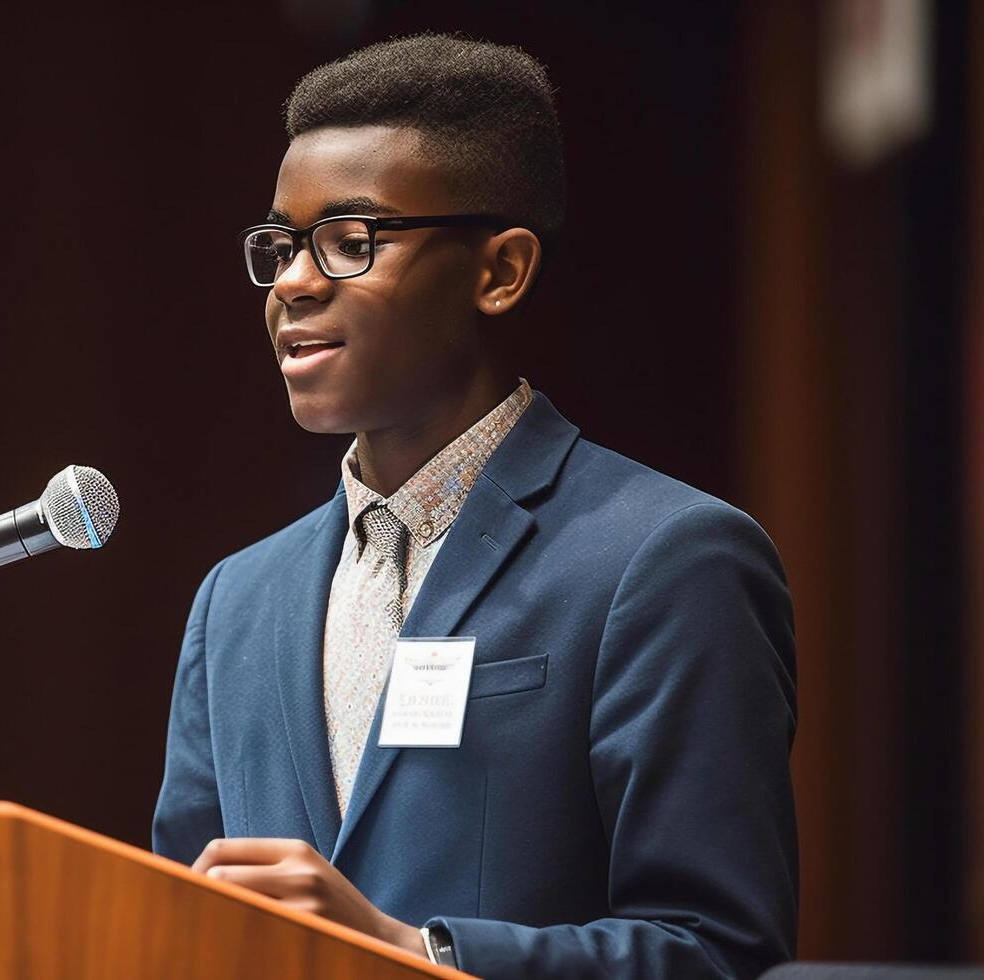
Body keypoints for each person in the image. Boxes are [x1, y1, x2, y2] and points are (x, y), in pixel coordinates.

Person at [152, 34, 797, 979]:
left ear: (499, 271)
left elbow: (718, 952)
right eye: (281, 245)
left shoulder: (666, 558)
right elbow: (175, 924)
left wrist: (411, 953)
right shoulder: (235, 600)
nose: (292, 281)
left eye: (349, 240)